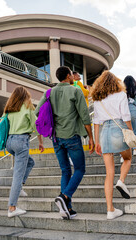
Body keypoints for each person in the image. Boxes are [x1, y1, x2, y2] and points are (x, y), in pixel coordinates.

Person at [35, 66, 95, 220]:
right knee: (80, 169)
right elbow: (85, 116)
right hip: (72, 136)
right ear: (69, 76)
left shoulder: (49, 92)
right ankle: (65, 196)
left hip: (56, 138)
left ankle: (66, 209)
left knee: (65, 171)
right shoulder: (75, 91)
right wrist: (91, 138)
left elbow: (37, 112)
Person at [91, 70, 133, 220]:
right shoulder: (121, 94)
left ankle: (110, 210)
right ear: (115, 81)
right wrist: (130, 132)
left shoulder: (97, 99)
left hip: (104, 133)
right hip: (118, 128)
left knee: (109, 173)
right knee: (127, 158)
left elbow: (96, 121)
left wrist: (97, 142)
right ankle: (121, 181)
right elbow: (126, 116)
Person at [3, 86, 44, 217]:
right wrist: (41, 142)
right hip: (21, 141)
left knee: (30, 162)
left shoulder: (9, 110)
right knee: (17, 174)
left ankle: (19, 187)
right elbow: (36, 126)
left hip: (9, 141)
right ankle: (12, 207)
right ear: (25, 96)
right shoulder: (27, 107)